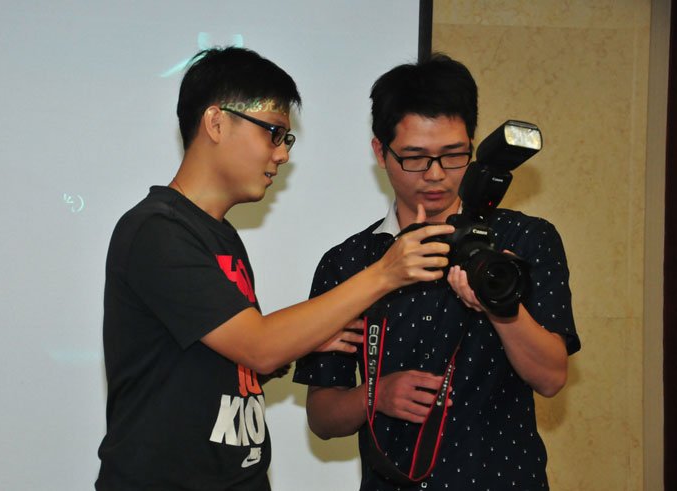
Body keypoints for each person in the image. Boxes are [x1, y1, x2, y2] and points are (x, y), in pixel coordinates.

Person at [95, 47, 453, 490]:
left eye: (287, 139)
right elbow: (259, 346)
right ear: (216, 122)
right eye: (273, 133)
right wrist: (384, 273)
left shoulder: (219, 235)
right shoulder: (157, 231)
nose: (282, 154)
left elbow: (225, 365)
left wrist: (303, 344)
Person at [293, 53, 581, 490]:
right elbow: (322, 417)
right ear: (380, 151)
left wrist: (501, 308)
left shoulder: (524, 240)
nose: (435, 175)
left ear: (473, 146)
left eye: (453, 156)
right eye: (414, 157)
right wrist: (375, 396)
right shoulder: (349, 262)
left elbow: (551, 378)